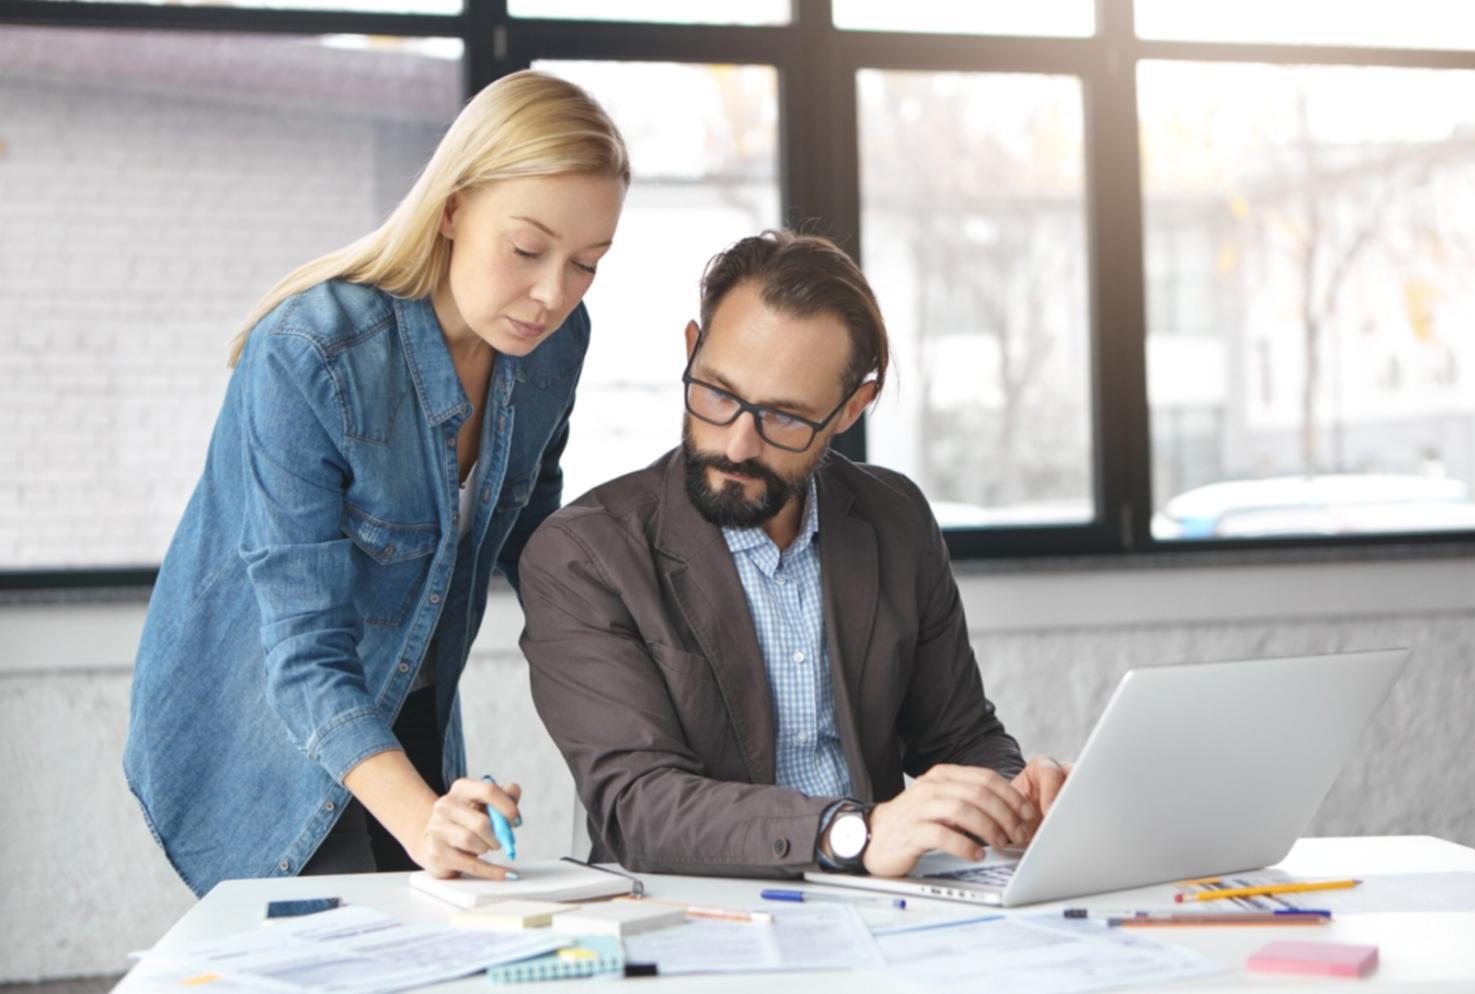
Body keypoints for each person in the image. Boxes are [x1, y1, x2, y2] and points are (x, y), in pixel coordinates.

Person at [124, 70, 629, 896]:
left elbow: (538, 536)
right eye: (528, 249)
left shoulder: (554, 347)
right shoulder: (310, 354)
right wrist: (423, 817)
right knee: (343, 954)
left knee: (440, 938)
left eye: (587, 264)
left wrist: (636, 663)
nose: (551, 296)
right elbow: (304, 651)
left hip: (411, 692)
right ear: (455, 207)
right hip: (265, 721)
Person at [520, 230, 1071, 879]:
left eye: (785, 417)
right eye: (718, 393)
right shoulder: (585, 555)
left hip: (889, 905)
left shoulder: (895, 519)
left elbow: (959, 736)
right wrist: (854, 833)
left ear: (849, 410)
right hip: (697, 914)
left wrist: (1008, 799)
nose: (738, 444)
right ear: (692, 348)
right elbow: (640, 809)